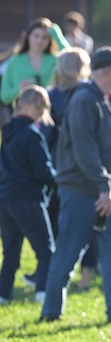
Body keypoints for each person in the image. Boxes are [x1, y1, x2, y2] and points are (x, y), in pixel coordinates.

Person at [40, 47, 111, 324]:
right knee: (68, 255)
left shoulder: (107, 98)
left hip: (106, 194)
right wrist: (104, 187)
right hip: (83, 193)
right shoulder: (84, 100)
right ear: (105, 70)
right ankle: (51, 312)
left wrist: (110, 190)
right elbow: (85, 150)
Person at [0, 86, 56, 305]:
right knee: (46, 250)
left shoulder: (8, 133)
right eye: (40, 106)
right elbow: (43, 170)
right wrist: (59, 180)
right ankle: (43, 293)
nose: (42, 111)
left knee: (11, 252)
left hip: (5, 199)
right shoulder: (32, 134)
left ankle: (3, 294)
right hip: (28, 198)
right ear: (28, 105)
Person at [0, 17, 69, 107]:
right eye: (36, 36)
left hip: (51, 112)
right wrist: (19, 88)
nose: (39, 41)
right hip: (23, 113)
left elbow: (71, 60)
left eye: (44, 37)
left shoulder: (54, 59)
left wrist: (57, 35)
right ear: (28, 36)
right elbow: (4, 96)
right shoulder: (14, 61)